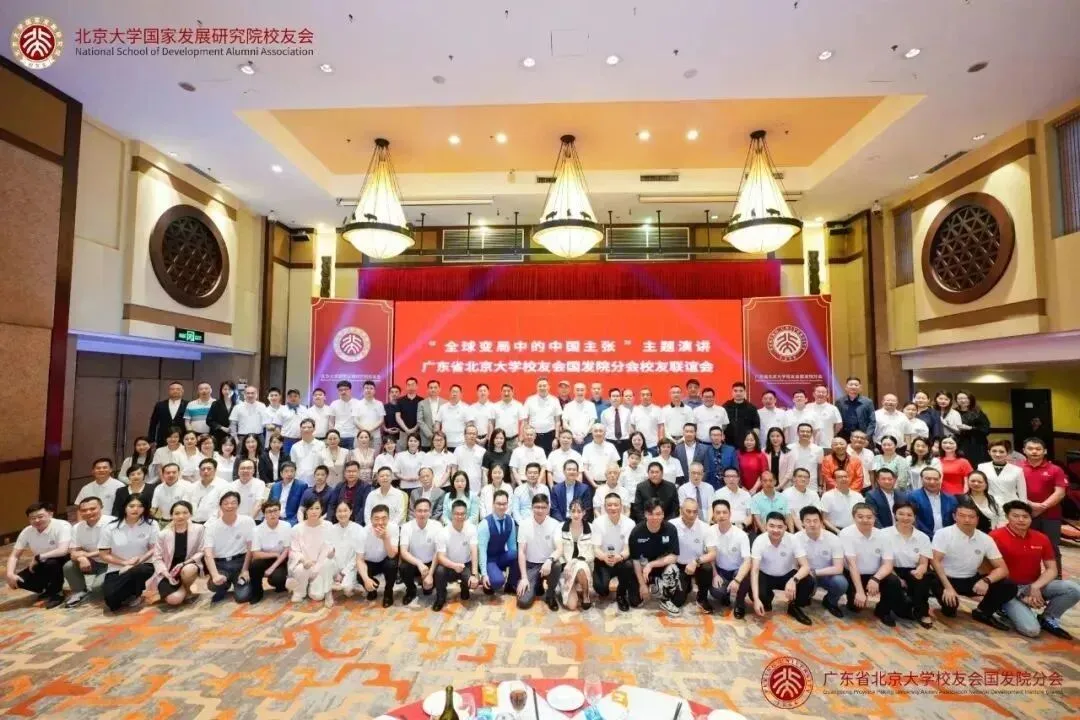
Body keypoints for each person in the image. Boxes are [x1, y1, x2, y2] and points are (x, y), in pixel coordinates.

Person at [992, 500, 1079, 640]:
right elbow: (991, 570)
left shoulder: (1041, 538)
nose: (1021, 520)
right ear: (1008, 517)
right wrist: (1021, 596)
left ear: (1031, 518)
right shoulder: (995, 536)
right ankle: (1003, 608)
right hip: (1008, 590)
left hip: (1032, 585)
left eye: (1025, 516)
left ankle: (1048, 618)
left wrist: (1035, 586)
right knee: (1031, 630)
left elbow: (1052, 569)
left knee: (1073, 589)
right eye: (1016, 516)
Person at [930, 500, 1015, 630]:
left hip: (970, 579)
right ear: (954, 517)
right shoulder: (943, 534)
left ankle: (983, 612)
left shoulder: (985, 539)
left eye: (971, 516)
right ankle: (945, 601)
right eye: (962, 515)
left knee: (1008, 585)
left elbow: (1003, 569)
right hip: (944, 579)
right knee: (950, 610)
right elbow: (935, 561)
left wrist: (986, 580)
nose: (967, 520)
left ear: (977, 519)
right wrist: (948, 588)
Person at [839, 503, 902, 626]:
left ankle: (883, 611)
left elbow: (888, 564)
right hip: (853, 574)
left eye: (869, 517)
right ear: (854, 518)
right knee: (855, 608)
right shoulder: (846, 534)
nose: (865, 520)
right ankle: (854, 598)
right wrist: (860, 591)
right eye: (860, 517)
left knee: (894, 582)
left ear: (874, 518)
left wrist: (876, 578)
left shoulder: (883, 535)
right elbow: (852, 565)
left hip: (875, 573)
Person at [750, 512, 814, 625]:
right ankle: (766, 600)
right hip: (765, 575)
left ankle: (794, 607)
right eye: (772, 526)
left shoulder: (793, 539)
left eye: (780, 527)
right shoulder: (759, 541)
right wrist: (756, 599)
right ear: (766, 526)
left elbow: (805, 566)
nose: (776, 530)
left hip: (787, 574)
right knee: (756, 592)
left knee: (808, 581)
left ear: (785, 527)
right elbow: (754, 571)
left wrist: (794, 580)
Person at [98, 496, 159, 611]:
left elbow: (154, 548)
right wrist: (125, 563)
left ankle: (137, 593)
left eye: (140, 506)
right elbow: (103, 554)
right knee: (112, 602)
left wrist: (138, 561)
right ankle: (130, 593)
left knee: (139, 571)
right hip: (117, 568)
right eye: (132, 506)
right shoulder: (110, 527)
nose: (136, 509)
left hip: (143, 565)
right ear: (124, 507)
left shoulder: (151, 524)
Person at [5, 503, 71, 608]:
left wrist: (38, 557)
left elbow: (63, 550)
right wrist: (10, 574)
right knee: (17, 581)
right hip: (41, 561)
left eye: (40, 516)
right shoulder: (27, 531)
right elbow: (14, 555)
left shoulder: (62, 526)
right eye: (32, 518)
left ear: (50, 514)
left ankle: (57, 593)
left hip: (64, 559)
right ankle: (48, 589)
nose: (36, 520)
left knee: (51, 563)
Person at [1019, 437, 1067, 578]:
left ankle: (1056, 577)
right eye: (1030, 448)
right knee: (1025, 547)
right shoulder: (1016, 469)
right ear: (1024, 450)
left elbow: (1060, 492)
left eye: (1038, 449)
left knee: (1051, 547)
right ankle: (1028, 577)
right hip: (1024, 515)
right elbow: (1013, 491)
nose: (1034, 451)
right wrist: (1030, 505)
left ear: (1045, 451)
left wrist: (1041, 507)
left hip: (1051, 515)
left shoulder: (1055, 469)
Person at [883, 501, 934, 628]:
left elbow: (924, 563)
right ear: (895, 515)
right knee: (892, 581)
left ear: (914, 517)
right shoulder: (883, 534)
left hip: (912, 570)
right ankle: (884, 611)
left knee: (925, 577)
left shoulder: (923, 537)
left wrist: (919, 571)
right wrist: (898, 578)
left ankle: (923, 612)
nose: (905, 518)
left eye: (909, 515)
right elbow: (883, 562)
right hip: (890, 569)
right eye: (901, 514)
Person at [628, 498, 682, 616]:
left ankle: (665, 599)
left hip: (661, 567)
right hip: (643, 570)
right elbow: (635, 560)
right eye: (650, 514)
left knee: (673, 571)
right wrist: (642, 585)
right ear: (645, 514)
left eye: (658, 514)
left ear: (663, 514)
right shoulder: (636, 532)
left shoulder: (671, 529)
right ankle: (652, 585)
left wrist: (651, 564)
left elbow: (674, 557)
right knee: (635, 602)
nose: (654, 517)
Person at [794, 506, 847, 618]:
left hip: (827, 574)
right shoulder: (796, 539)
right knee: (802, 599)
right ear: (802, 523)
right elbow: (794, 564)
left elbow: (838, 568)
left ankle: (830, 601)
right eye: (808, 521)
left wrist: (814, 572)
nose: (812, 524)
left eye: (815, 521)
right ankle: (807, 595)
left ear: (821, 522)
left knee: (841, 583)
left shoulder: (833, 539)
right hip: (806, 575)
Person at [203, 491, 256, 604]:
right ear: (220, 505)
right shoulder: (211, 526)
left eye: (233, 503)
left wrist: (245, 570)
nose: (230, 506)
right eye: (226, 503)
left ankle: (238, 583)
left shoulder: (247, 521)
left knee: (242, 597)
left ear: (238, 504)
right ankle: (223, 586)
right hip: (221, 564)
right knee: (214, 585)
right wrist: (215, 575)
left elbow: (250, 548)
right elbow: (208, 553)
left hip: (240, 562)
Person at [150, 500, 205, 607]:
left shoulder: (199, 529)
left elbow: (202, 550)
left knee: (189, 569)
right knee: (174, 600)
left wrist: (184, 564)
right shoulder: (163, 534)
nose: (181, 516)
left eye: (185, 513)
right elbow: (157, 558)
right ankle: (179, 589)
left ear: (190, 514)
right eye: (177, 513)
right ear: (171, 515)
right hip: (169, 571)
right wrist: (166, 573)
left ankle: (187, 590)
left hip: (187, 566)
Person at [62, 497, 115, 607]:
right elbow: (73, 551)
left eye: (92, 509)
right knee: (69, 566)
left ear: (101, 507)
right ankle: (79, 591)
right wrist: (81, 558)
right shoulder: (77, 527)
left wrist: (87, 554)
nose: (88, 512)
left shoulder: (113, 523)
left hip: (112, 563)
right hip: (93, 562)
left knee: (97, 590)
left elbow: (111, 548)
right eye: (84, 510)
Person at [706, 499, 753, 618]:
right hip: (721, 570)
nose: (721, 515)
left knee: (745, 574)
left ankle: (740, 602)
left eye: (724, 512)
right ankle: (725, 595)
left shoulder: (741, 535)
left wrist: (737, 580)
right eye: (718, 512)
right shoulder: (710, 531)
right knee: (716, 592)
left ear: (730, 514)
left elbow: (747, 561)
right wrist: (715, 574)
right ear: (713, 515)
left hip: (738, 570)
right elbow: (710, 556)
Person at [516, 494, 563, 611]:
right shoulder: (524, 524)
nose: (540, 510)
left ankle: (550, 595)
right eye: (537, 507)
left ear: (548, 508)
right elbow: (521, 552)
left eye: (543, 507)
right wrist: (524, 577)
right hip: (531, 565)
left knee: (557, 565)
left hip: (548, 565)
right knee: (523, 602)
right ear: (532, 507)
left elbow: (559, 549)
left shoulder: (555, 524)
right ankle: (537, 584)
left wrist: (549, 560)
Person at [591, 493, 636, 611]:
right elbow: (596, 549)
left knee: (629, 565)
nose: (613, 508)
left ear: (621, 506)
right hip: (603, 560)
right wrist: (604, 557)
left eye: (616, 505)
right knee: (601, 590)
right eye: (609, 505)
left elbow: (628, 549)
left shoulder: (630, 523)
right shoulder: (598, 522)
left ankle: (621, 594)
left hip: (621, 560)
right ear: (605, 507)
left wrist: (620, 557)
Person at [433, 499, 480, 611]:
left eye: (462, 514)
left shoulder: (472, 529)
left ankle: (465, 587)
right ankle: (440, 597)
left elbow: (474, 551)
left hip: (466, 564)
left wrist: (474, 574)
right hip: (449, 565)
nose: (460, 516)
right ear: (451, 514)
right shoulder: (443, 532)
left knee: (472, 583)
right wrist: (454, 566)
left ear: (466, 515)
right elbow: (440, 557)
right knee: (439, 571)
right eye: (457, 514)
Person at [286, 498, 335, 606]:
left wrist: (330, 553)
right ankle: (300, 591)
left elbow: (330, 546)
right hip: (305, 564)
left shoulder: (328, 526)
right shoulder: (297, 529)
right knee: (300, 570)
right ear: (306, 511)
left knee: (317, 596)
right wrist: (304, 560)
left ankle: (326, 590)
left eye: (317, 508)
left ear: (321, 510)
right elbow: (294, 551)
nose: (314, 511)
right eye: (311, 508)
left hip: (321, 565)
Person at [672, 498, 716, 613]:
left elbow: (712, 553)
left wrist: (695, 562)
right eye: (688, 511)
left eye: (695, 512)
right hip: (678, 565)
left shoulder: (705, 527)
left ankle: (702, 598)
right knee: (677, 601)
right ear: (681, 510)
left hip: (697, 564)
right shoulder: (671, 525)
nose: (692, 515)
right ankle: (687, 586)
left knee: (707, 568)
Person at [399, 497, 442, 605]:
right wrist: (419, 563)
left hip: (431, 563)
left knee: (428, 590)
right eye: (419, 511)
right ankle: (411, 590)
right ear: (414, 512)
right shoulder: (406, 527)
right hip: (414, 563)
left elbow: (438, 552)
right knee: (403, 567)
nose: (422, 514)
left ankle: (431, 585)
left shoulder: (437, 526)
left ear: (430, 512)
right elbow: (403, 552)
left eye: (425, 511)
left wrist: (430, 574)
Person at [356, 504, 400, 607]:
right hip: (370, 562)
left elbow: (392, 554)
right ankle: (372, 589)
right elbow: (359, 560)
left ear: (388, 519)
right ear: (371, 519)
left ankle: (388, 592)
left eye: (384, 518)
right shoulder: (363, 532)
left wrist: (385, 539)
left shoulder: (393, 528)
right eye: (376, 519)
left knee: (392, 564)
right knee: (360, 576)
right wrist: (366, 579)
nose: (380, 522)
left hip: (386, 559)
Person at [248, 500, 292, 603]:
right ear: (264, 514)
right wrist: (274, 554)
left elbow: (286, 550)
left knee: (278, 578)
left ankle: (280, 585)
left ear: (279, 511)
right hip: (265, 557)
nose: (273, 514)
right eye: (269, 511)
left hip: (282, 558)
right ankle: (257, 592)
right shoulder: (257, 530)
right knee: (254, 566)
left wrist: (272, 568)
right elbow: (256, 554)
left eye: (275, 510)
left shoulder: (286, 526)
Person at [478, 488, 518, 595]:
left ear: (507, 504)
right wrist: (484, 574)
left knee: (518, 555)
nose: (501, 507)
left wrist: (513, 570)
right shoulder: (484, 524)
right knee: (497, 582)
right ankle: (488, 578)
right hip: (488, 560)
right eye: (499, 504)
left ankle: (511, 584)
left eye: (504, 504)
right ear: (493, 504)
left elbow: (512, 547)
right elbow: (481, 552)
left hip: (501, 557)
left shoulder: (510, 521)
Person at [556, 500, 595, 610]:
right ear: (569, 512)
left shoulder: (592, 528)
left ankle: (586, 594)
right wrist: (566, 564)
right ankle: (565, 586)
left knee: (580, 566)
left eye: (579, 511)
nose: (576, 514)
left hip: (584, 566)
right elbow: (558, 550)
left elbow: (591, 554)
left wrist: (573, 562)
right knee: (572, 606)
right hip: (566, 569)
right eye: (573, 511)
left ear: (584, 512)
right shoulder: (560, 528)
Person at [325, 499, 364, 604]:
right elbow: (328, 551)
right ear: (335, 513)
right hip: (334, 566)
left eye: (345, 510)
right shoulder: (331, 529)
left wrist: (343, 573)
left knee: (347, 589)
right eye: (339, 511)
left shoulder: (359, 529)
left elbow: (357, 557)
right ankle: (330, 589)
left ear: (351, 511)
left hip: (350, 567)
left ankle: (353, 583)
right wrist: (330, 554)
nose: (342, 514)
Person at [908, 467, 958, 537]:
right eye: (928, 479)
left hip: (947, 537)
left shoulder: (951, 499)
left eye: (936, 479)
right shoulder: (913, 497)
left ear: (940, 480)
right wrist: (931, 537)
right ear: (921, 479)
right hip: (922, 537)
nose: (932, 482)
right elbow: (915, 520)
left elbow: (954, 521)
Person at [978, 440, 1027, 506]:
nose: (997, 454)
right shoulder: (982, 467)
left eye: (1001, 452)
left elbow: (1022, 494)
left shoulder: (1017, 470)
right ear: (989, 452)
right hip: (988, 505)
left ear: (1007, 453)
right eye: (994, 451)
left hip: (1011, 506)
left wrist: (1023, 508)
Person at [523, 377, 562, 451]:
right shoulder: (530, 400)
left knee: (549, 457)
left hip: (550, 435)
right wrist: (524, 437)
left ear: (549, 387)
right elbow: (525, 421)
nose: (542, 388)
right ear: (537, 387)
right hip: (533, 436)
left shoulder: (554, 400)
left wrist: (556, 438)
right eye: (540, 386)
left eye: (544, 386)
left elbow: (557, 421)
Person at [820, 469, 863, 533]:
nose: (843, 479)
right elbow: (824, 519)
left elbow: (862, 515)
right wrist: (837, 531)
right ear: (834, 480)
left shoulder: (858, 496)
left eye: (846, 476)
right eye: (840, 477)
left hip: (854, 531)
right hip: (834, 531)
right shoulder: (827, 496)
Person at [954, 391, 990, 466]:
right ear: (956, 400)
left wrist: (970, 428)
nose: (963, 400)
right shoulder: (954, 412)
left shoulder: (978, 412)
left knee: (977, 466)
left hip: (977, 445)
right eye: (960, 398)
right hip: (959, 444)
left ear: (970, 399)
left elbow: (986, 429)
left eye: (965, 398)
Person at [835, 376, 875, 441]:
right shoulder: (839, 402)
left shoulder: (868, 402)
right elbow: (837, 420)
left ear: (860, 388)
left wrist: (867, 436)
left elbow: (872, 421)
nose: (853, 387)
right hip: (844, 437)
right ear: (846, 387)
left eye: (856, 385)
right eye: (851, 385)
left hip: (862, 437)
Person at [149, 381, 187, 448]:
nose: (175, 391)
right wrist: (151, 439)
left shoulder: (188, 405)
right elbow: (153, 423)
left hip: (182, 438)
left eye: (178, 389)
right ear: (169, 391)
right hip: (163, 439)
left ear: (182, 391)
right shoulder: (160, 405)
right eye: (172, 389)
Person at [721, 382, 760, 448]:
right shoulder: (726, 406)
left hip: (746, 444)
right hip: (728, 444)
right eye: (735, 391)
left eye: (741, 391)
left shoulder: (751, 408)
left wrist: (753, 441)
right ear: (732, 392)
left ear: (744, 392)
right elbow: (721, 424)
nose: (738, 393)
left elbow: (756, 427)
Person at [268, 461, 307, 526]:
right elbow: (269, 504)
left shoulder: (301, 486)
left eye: (292, 471)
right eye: (286, 471)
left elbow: (303, 507)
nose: (289, 474)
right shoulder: (275, 486)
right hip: (275, 518)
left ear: (295, 472)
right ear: (281, 473)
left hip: (291, 520)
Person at [715, 468, 754, 532]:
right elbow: (716, 515)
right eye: (728, 476)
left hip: (743, 527)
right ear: (724, 479)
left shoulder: (746, 495)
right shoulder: (718, 494)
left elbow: (750, 516)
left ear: (738, 478)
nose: (731, 479)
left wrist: (742, 526)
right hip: (724, 528)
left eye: (734, 476)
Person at [328, 380, 363, 450]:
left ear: (350, 390)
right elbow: (331, 422)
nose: (343, 392)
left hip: (353, 436)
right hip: (338, 437)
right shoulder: (334, 404)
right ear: (338, 391)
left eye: (346, 389)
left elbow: (361, 421)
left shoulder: (358, 403)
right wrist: (331, 435)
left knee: (352, 456)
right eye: (340, 390)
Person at [190, 458, 228, 524]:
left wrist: (207, 525)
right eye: (203, 469)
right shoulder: (192, 486)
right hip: (193, 524)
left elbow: (224, 508)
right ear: (199, 471)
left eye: (209, 469)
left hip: (213, 524)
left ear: (215, 470)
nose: (205, 471)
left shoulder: (224, 485)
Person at [789, 423, 824, 493]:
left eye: (808, 432)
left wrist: (820, 486)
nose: (805, 433)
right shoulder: (789, 448)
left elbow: (820, 470)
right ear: (797, 433)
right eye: (802, 431)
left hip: (812, 486)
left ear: (811, 434)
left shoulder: (818, 449)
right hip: (793, 486)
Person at [289, 418, 326, 484]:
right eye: (304, 427)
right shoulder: (295, 447)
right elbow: (292, 465)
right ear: (300, 429)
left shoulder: (321, 445)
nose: (306, 429)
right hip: (299, 481)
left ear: (314, 429)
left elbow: (323, 464)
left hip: (316, 482)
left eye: (309, 427)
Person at [452, 425, 487, 494]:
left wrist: (483, 489)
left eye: (474, 434)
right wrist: (454, 485)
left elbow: (484, 473)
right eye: (469, 433)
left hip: (477, 490)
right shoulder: (458, 450)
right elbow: (454, 469)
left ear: (477, 436)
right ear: (464, 435)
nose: (472, 436)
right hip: (460, 489)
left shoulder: (482, 451)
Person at [435, 384, 471, 450]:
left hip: (461, 444)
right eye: (453, 391)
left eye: (457, 392)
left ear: (461, 394)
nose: (454, 394)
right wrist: (437, 438)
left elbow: (469, 426)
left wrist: (467, 440)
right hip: (445, 443)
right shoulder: (443, 407)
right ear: (449, 393)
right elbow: (437, 423)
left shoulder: (466, 408)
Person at [562, 383, 597, 451]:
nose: (580, 392)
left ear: (585, 391)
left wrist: (583, 435)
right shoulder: (568, 406)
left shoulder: (591, 405)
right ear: (574, 391)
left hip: (587, 438)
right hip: (572, 439)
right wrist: (574, 436)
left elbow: (592, 422)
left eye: (582, 390)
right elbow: (564, 423)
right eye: (577, 390)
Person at [630, 387, 664, 452]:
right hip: (638, 445)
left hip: (653, 445)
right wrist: (632, 443)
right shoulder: (635, 409)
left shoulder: (657, 409)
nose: (645, 397)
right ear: (640, 397)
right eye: (643, 395)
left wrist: (660, 443)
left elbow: (661, 427)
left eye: (647, 395)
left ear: (651, 396)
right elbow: (632, 427)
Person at [355, 380, 387, 448]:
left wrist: (370, 430)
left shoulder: (379, 404)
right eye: (366, 388)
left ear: (374, 391)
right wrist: (365, 431)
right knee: (359, 454)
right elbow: (355, 420)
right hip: (361, 436)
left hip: (375, 436)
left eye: (371, 388)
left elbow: (381, 420)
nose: (368, 390)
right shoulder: (357, 404)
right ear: (363, 390)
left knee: (374, 454)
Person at [493, 383, 525, 450]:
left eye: (508, 391)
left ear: (512, 392)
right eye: (504, 391)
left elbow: (523, 422)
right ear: (501, 392)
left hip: (514, 441)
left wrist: (521, 439)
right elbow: (491, 423)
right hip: (499, 441)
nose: (506, 393)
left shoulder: (518, 405)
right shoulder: (495, 406)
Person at [600, 388, 631, 456]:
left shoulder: (627, 412)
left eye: (617, 396)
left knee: (624, 461)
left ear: (620, 398)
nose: (615, 398)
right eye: (613, 396)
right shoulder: (605, 413)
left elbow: (628, 428)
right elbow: (603, 430)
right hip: (610, 442)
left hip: (625, 442)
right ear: (610, 398)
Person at [394, 377, 423, 450]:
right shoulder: (400, 400)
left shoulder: (421, 400)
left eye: (413, 385)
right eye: (409, 385)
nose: (411, 387)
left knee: (416, 451)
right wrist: (406, 429)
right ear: (406, 386)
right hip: (403, 432)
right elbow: (398, 417)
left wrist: (414, 429)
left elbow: (422, 418)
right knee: (402, 452)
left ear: (416, 386)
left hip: (417, 432)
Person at [206, 381, 236, 448]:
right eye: (225, 389)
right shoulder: (216, 404)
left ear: (234, 391)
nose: (227, 391)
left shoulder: (237, 404)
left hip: (233, 436)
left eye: (230, 389)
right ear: (221, 390)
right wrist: (222, 427)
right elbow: (209, 421)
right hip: (218, 435)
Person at [382, 384, 401, 450]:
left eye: (396, 392)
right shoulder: (384, 407)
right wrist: (386, 429)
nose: (394, 394)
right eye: (392, 392)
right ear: (389, 394)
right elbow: (381, 421)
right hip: (387, 435)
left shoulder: (403, 406)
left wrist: (400, 430)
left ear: (400, 394)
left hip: (400, 436)